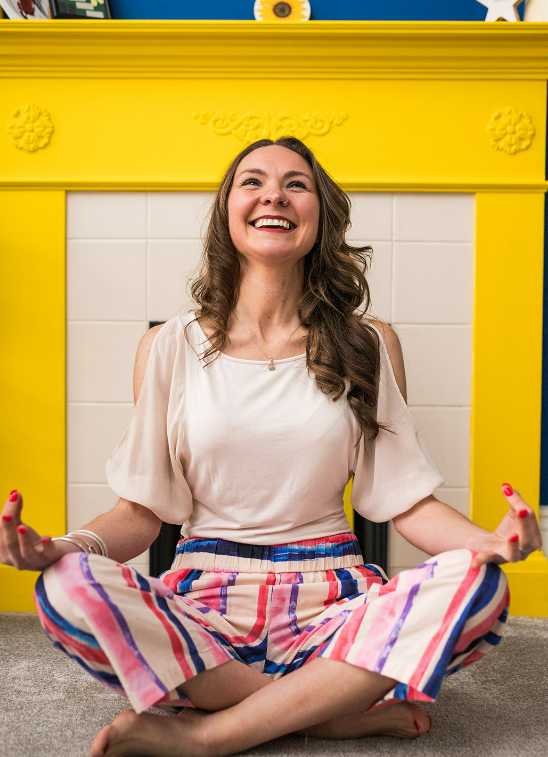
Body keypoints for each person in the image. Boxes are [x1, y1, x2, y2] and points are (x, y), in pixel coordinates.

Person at [0, 137, 542, 757]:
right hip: (204, 602)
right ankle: (326, 708)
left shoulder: (369, 344)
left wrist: (488, 544)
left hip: (333, 600)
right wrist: (61, 548)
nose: (274, 195)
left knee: (483, 587)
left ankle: (209, 734)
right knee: (63, 586)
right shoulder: (168, 347)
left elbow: (405, 502)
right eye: (252, 182)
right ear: (227, 212)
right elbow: (139, 514)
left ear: (319, 216)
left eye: (296, 184)